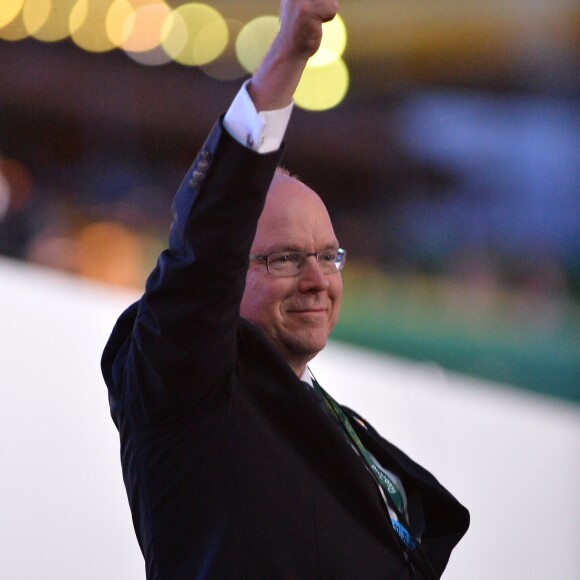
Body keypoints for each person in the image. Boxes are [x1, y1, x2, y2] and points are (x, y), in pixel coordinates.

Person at [101, 1, 470, 578]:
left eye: (329, 256)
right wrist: (288, 57)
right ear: (227, 275)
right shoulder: (183, 386)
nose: (318, 280)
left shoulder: (312, 411)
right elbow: (206, 244)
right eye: (286, 259)